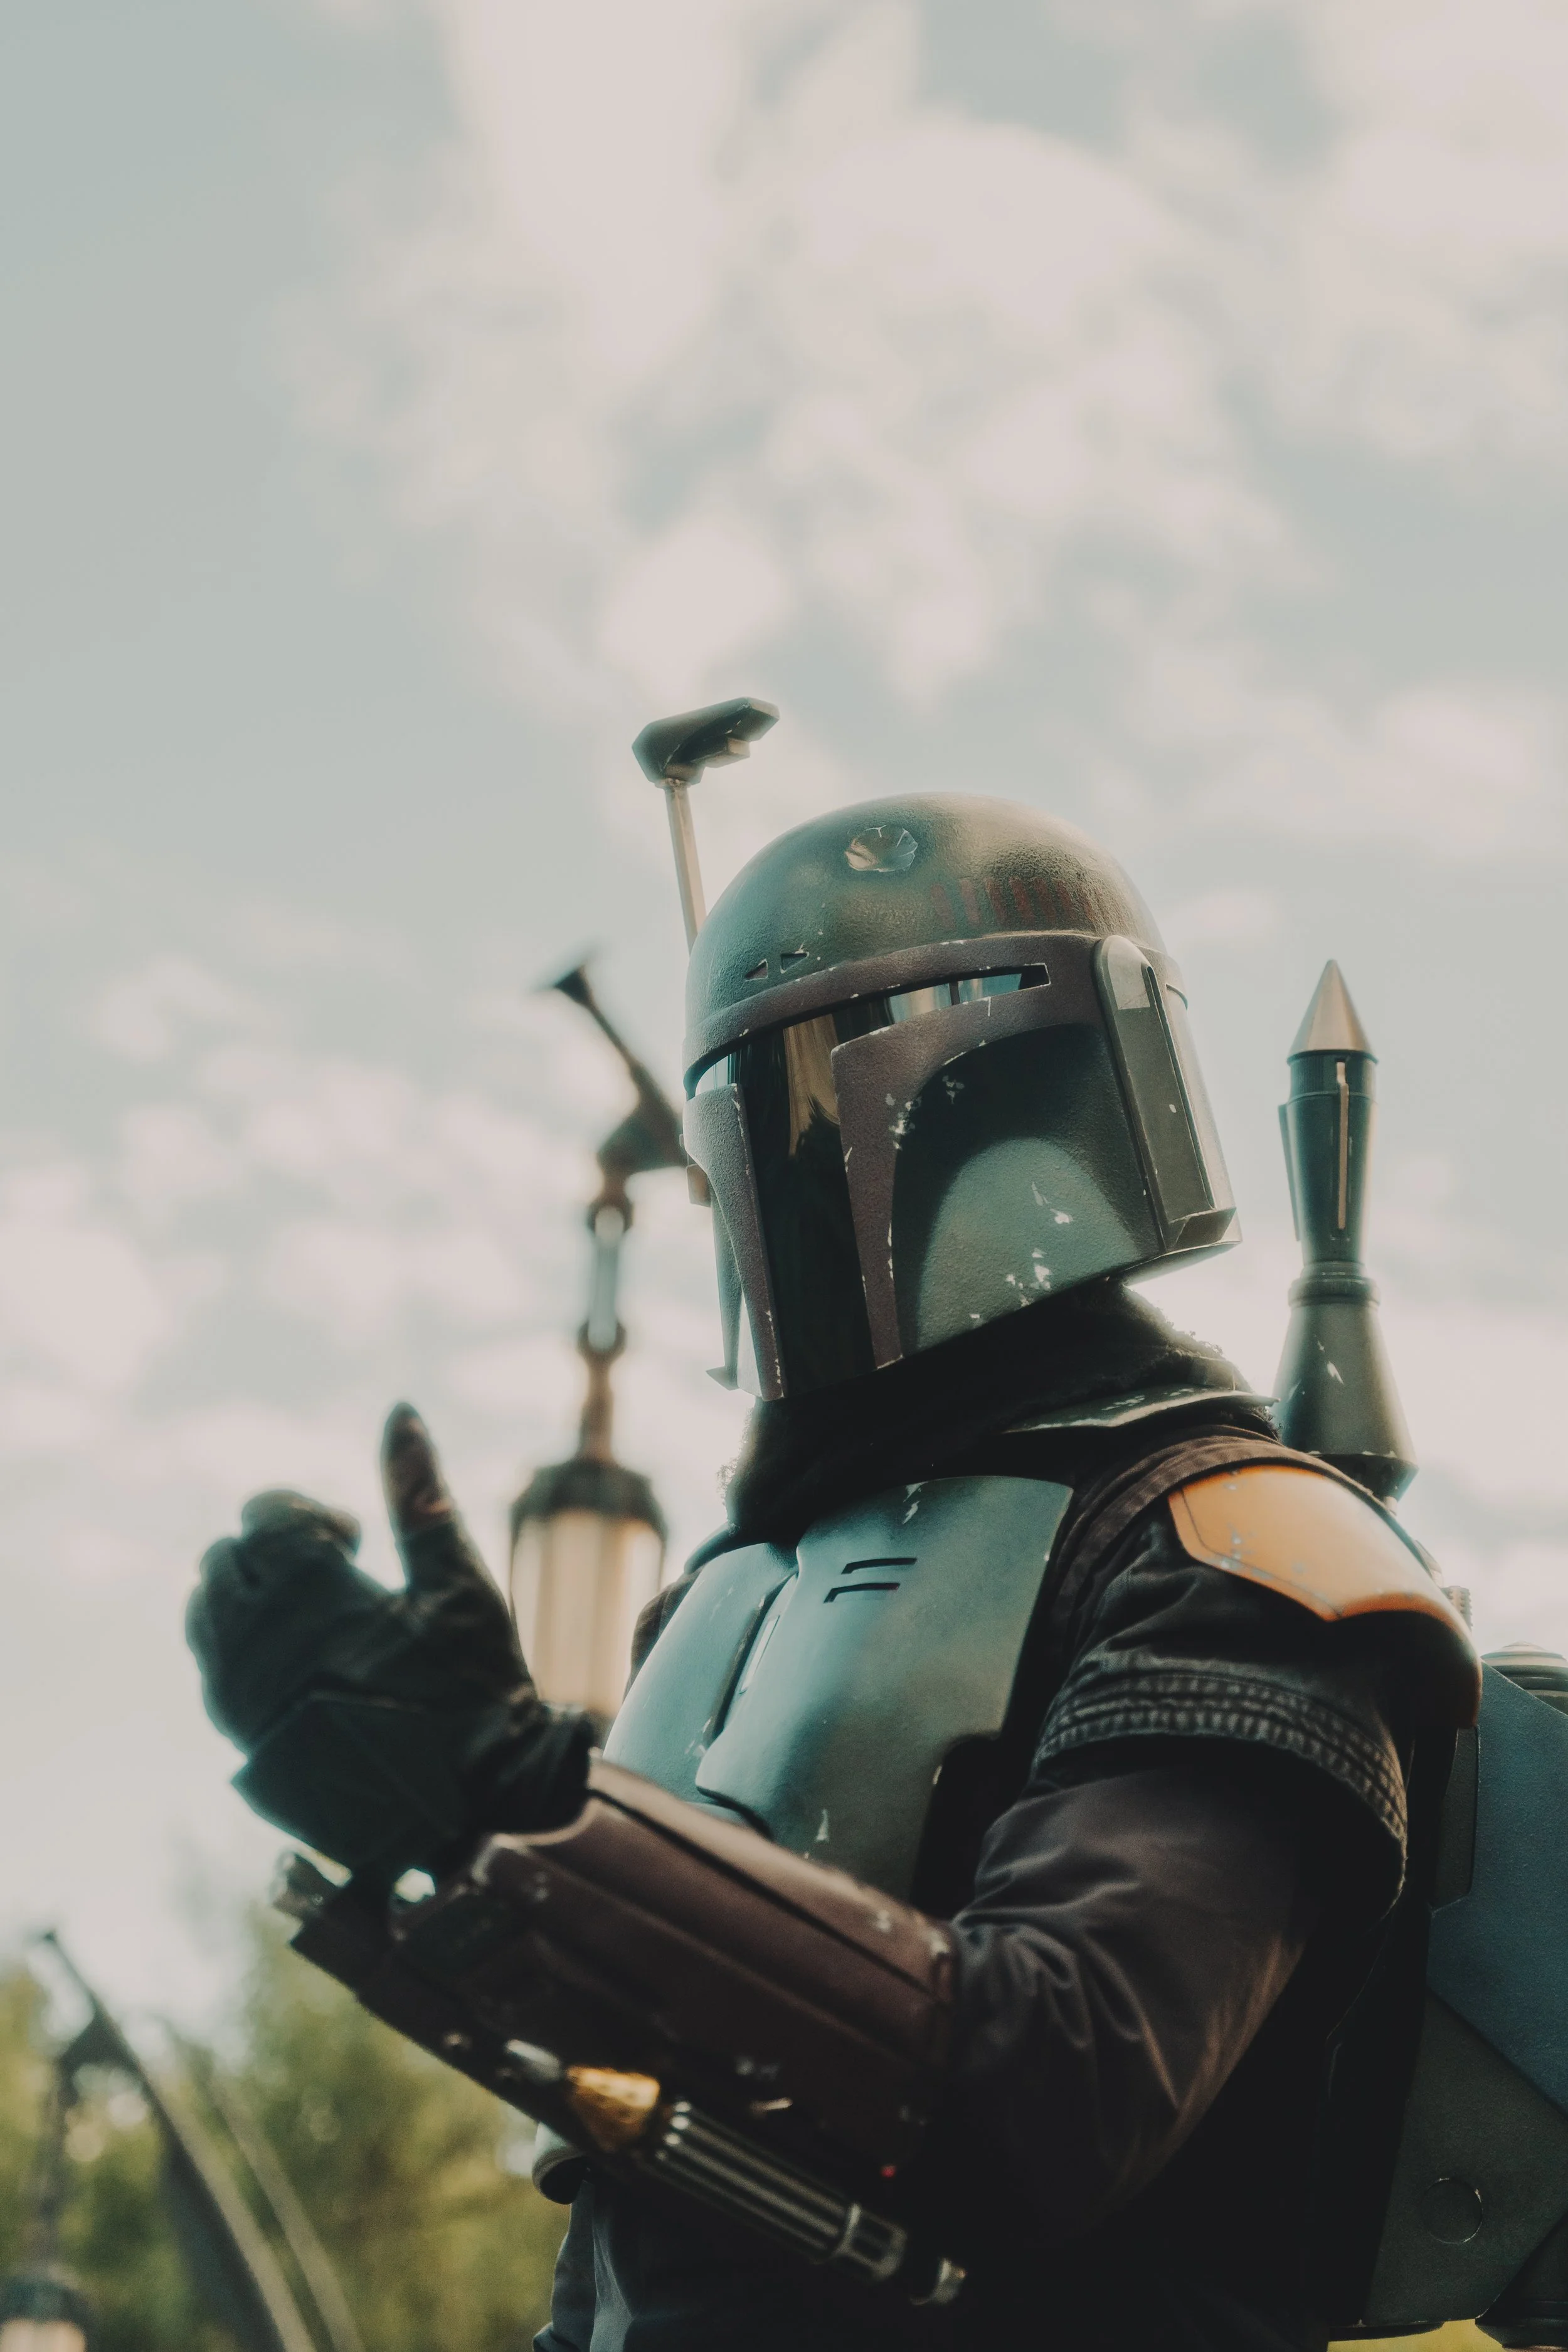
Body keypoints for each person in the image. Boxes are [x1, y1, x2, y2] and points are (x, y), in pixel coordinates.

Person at [188, 795, 1476, 2351]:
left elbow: (1048, 2099)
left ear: (1034, 1097)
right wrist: (454, 1831)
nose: (801, 1173)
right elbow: (629, 2198)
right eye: (767, 1115)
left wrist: (517, 1807)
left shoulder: (1241, 1554)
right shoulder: (739, 1600)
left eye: (846, 1101)